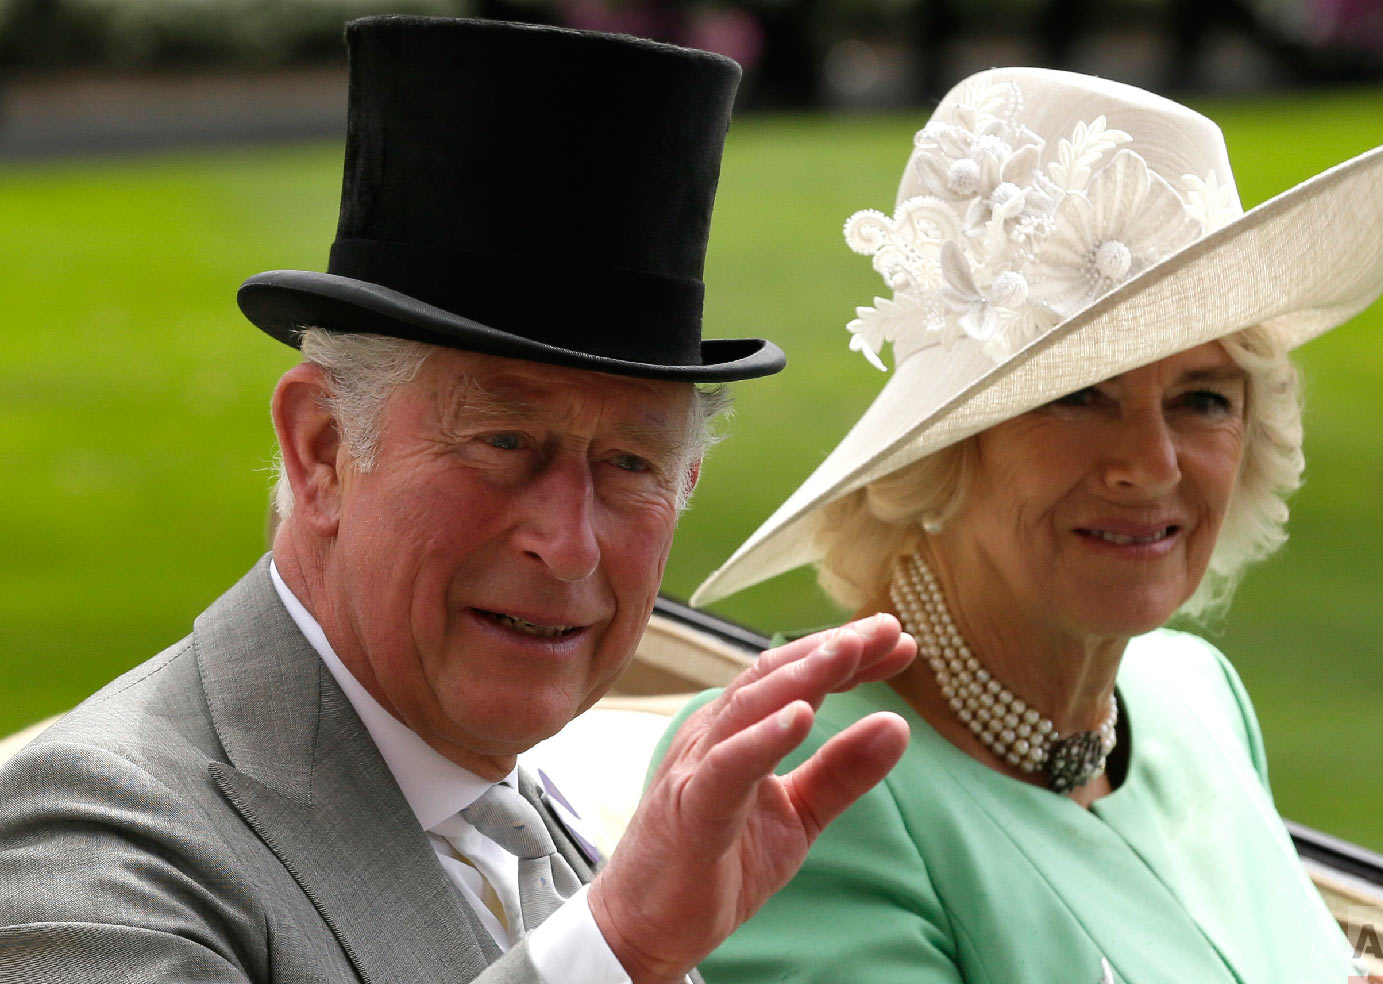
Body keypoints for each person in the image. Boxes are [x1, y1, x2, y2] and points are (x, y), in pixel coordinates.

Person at [0, 17, 918, 984]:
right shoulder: (91, 851)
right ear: (321, 451)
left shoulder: (531, 817)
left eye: (631, 465)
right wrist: (619, 952)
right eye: (504, 442)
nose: (569, 547)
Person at [667, 68, 1383, 981]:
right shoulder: (803, 767)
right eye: (1081, 396)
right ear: (945, 451)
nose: (1152, 464)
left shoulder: (1194, 697)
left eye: (1202, 399)